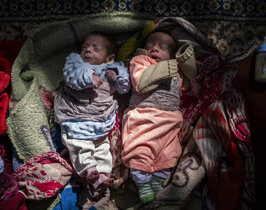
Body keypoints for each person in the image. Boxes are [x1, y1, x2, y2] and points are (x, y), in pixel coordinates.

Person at [121, 30, 197, 203]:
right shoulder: (140, 61)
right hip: (143, 116)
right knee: (139, 149)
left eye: (162, 47)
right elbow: (140, 83)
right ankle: (142, 183)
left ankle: (157, 180)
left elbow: (191, 78)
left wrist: (185, 61)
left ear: (171, 54)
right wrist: (166, 67)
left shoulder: (177, 71)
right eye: (150, 45)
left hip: (169, 120)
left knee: (169, 151)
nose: (154, 48)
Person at [54, 31, 130, 196]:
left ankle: (102, 175)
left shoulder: (114, 67)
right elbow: (70, 76)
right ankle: (88, 169)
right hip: (75, 115)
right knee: (79, 145)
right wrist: (89, 77)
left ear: (109, 57)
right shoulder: (76, 61)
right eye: (85, 47)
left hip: (100, 118)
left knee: (102, 147)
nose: (88, 51)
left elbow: (125, 87)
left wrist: (117, 77)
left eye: (96, 49)